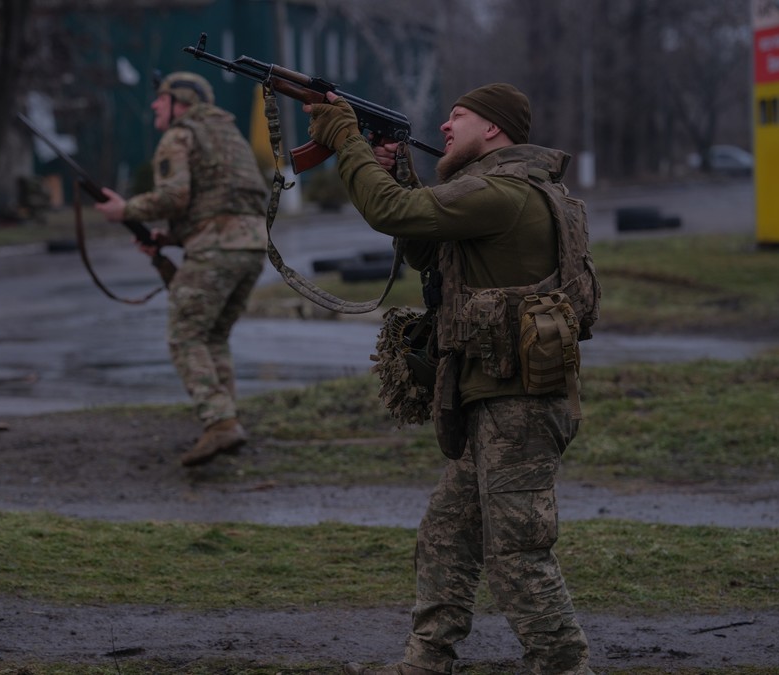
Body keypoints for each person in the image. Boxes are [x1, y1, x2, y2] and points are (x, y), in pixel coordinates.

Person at [304, 84, 595, 674]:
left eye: (458, 117)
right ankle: (427, 661)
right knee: (447, 535)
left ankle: (566, 666)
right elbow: (423, 248)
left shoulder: (501, 193)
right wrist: (391, 171)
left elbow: (390, 212)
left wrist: (345, 138)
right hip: (498, 398)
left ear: (493, 131)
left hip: (518, 407)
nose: (443, 125)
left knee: (517, 553)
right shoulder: (509, 190)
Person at [93, 71, 269, 468]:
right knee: (213, 335)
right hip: (252, 247)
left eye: (162, 99)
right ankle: (227, 420)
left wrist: (126, 210)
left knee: (185, 337)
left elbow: (174, 196)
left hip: (217, 248)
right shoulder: (228, 136)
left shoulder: (180, 135)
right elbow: (222, 201)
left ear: (182, 103)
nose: (155, 104)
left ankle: (220, 421)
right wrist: (167, 240)